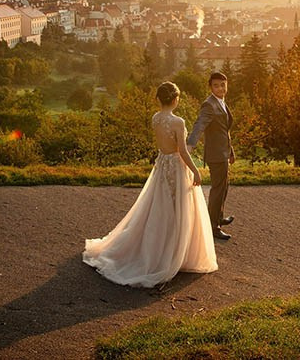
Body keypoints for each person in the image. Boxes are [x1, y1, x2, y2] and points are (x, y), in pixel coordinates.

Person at [83, 82, 218, 288]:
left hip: (162, 164)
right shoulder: (178, 122)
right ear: (175, 100)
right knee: (178, 209)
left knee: (159, 208)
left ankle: (162, 250)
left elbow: (164, 146)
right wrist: (196, 170)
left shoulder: (156, 118)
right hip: (175, 167)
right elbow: (182, 151)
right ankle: (173, 255)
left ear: (159, 99)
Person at [187, 71, 235, 240]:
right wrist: (190, 144)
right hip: (216, 155)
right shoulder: (209, 105)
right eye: (216, 85)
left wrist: (231, 151)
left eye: (223, 85)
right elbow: (199, 125)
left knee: (224, 187)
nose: (220, 88)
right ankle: (213, 227)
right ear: (210, 87)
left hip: (223, 152)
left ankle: (219, 217)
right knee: (217, 190)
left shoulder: (221, 102)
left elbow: (224, 130)